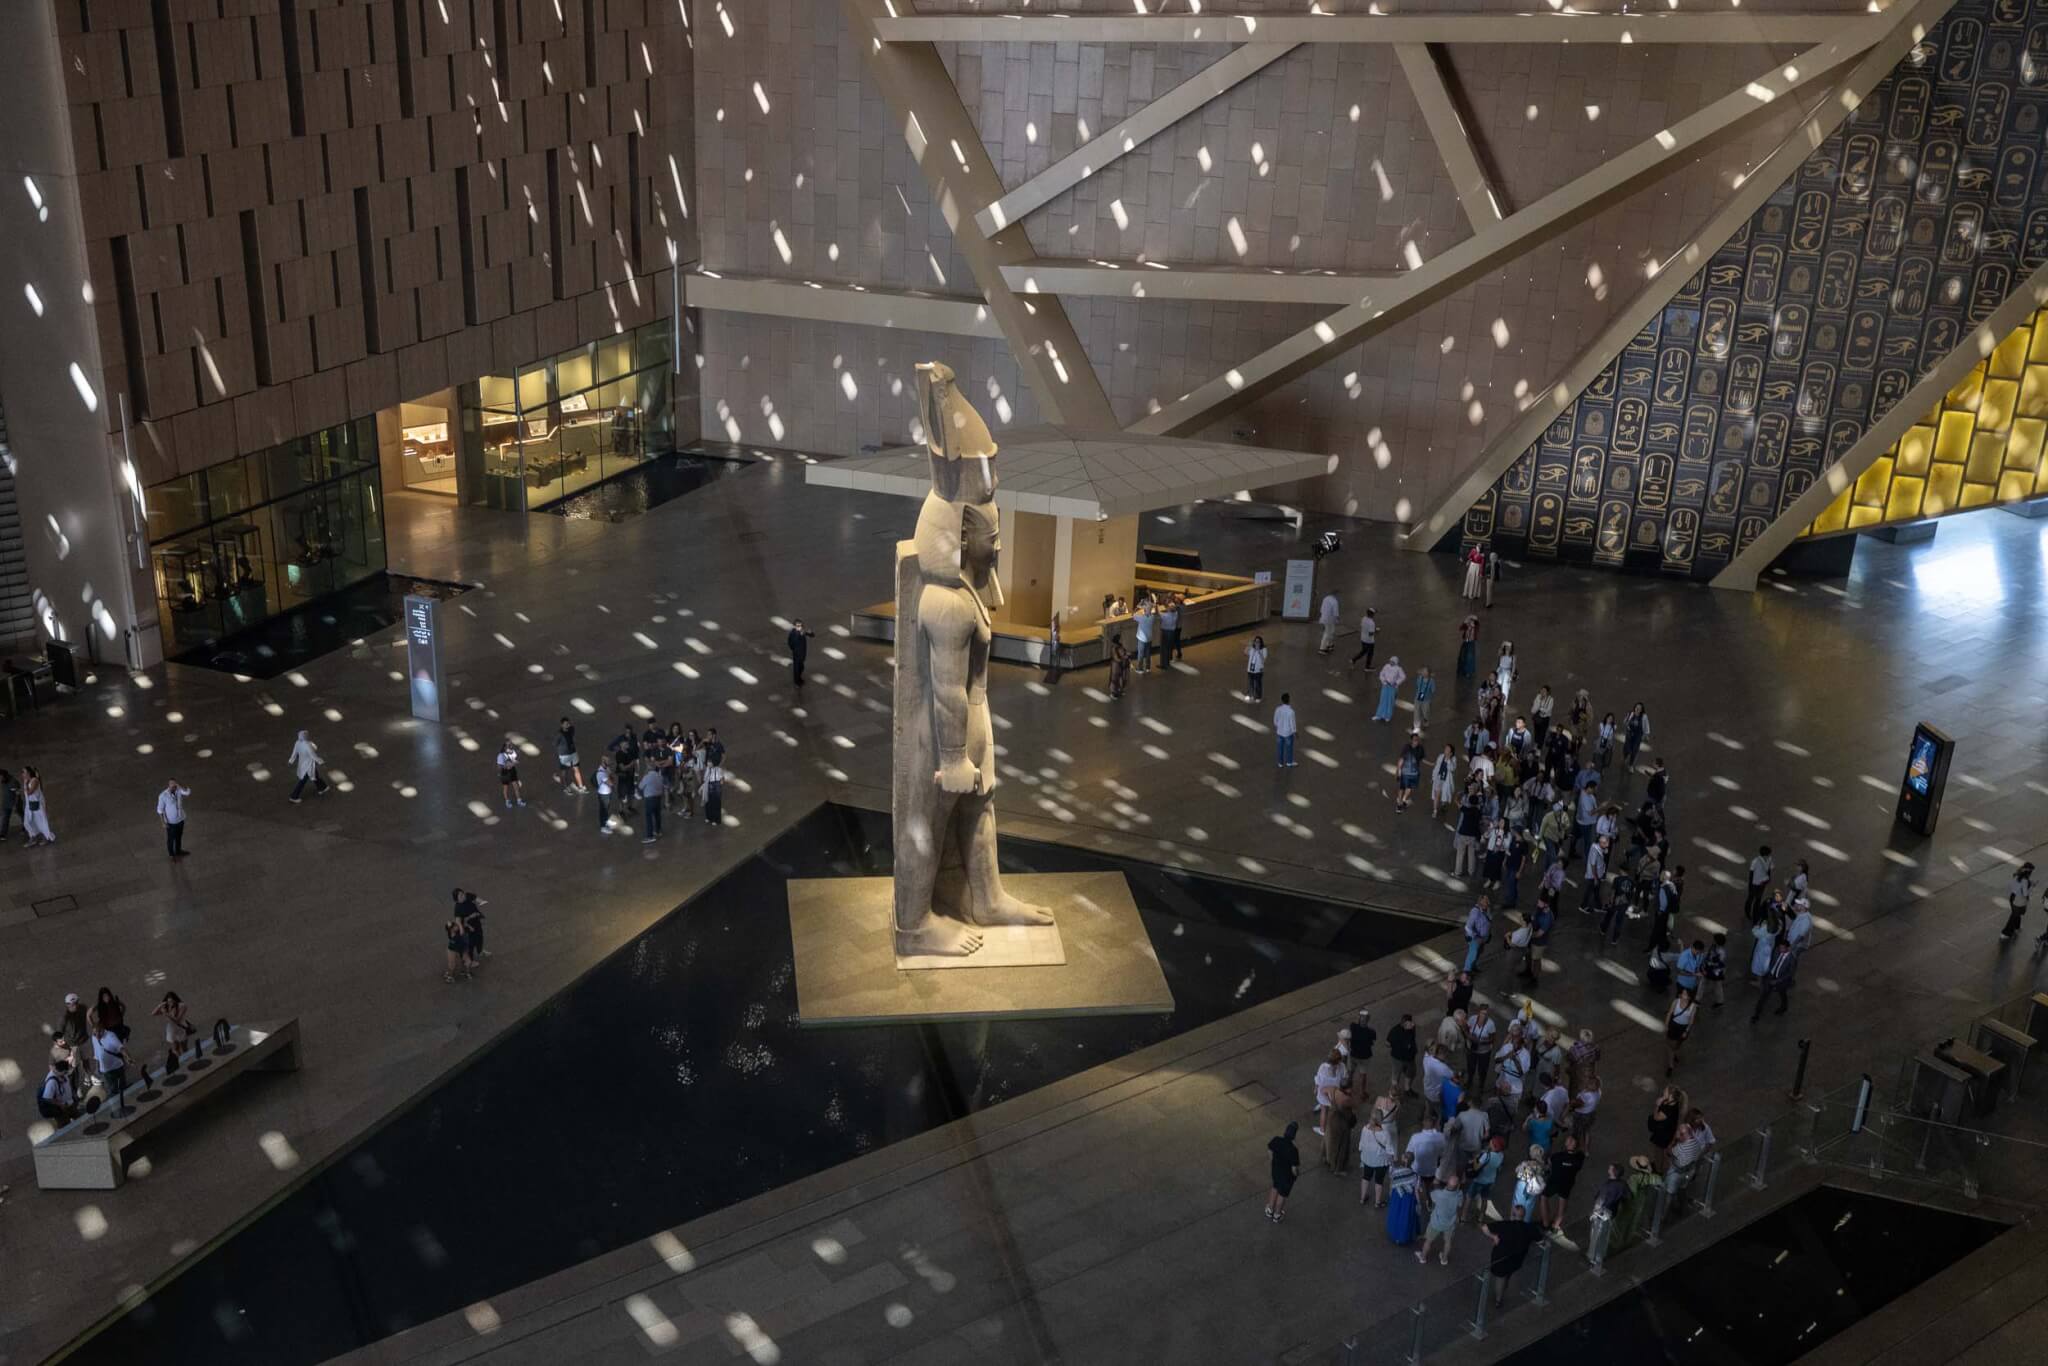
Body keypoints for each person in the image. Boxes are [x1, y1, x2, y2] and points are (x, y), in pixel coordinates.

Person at [1485, 1207, 1544, 1304]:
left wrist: (1494, 1237)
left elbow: (1485, 1228)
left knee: (1500, 1278)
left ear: (1512, 1215)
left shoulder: (1504, 1225)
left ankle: (1498, 1300)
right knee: (1507, 1274)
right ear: (1523, 1216)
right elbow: (1541, 1241)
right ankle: (1502, 1291)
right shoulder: (1529, 1228)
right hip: (1517, 1259)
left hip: (1500, 1258)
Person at [1418, 1170, 1464, 1265]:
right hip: (1450, 1223)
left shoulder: (1439, 1194)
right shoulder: (1459, 1194)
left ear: (1447, 1184)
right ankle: (1444, 1259)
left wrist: (1435, 1184)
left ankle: (1423, 1257)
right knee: (1448, 1241)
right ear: (1458, 1186)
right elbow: (1459, 1206)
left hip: (1436, 1222)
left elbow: (1431, 1194)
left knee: (1428, 1240)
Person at [1751, 935, 1798, 1021]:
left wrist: (1777, 981)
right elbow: (1772, 961)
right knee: (1763, 996)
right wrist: (1768, 972)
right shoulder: (1777, 950)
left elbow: (1789, 973)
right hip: (1771, 977)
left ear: (1787, 948)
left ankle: (1784, 1007)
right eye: (1779, 948)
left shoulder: (1792, 959)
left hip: (1781, 981)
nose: (1780, 950)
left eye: (1782, 948)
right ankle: (1756, 1014)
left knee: (1782, 994)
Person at [93, 1020, 131, 1117]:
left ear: (103, 1030)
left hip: (117, 1067)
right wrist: (97, 1067)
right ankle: (117, 1111)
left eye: (99, 1032)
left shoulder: (110, 1036)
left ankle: (126, 1106)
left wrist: (128, 1058)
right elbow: (96, 1052)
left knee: (122, 1089)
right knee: (112, 1091)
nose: (97, 1035)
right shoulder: (94, 1037)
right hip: (106, 1071)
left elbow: (121, 1048)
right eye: (95, 1033)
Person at [1358, 1112, 1396, 1206]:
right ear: (1381, 1120)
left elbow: (1361, 1144)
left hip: (1368, 1159)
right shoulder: (1385, 1133)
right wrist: (1392, 1160)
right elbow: (1389, 1149)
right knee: (1379, 1181)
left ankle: (1362, 1198)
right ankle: (1377, 1202)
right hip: (1381, 1161)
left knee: (1366, 1177)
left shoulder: (1365, 1129)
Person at [1265, 1122, 1300, 1222]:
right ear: (1294, 1136)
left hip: (1276, 1171)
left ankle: (1270, 1209)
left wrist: (1273, 1161)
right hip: (1287, 1177)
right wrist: (1296, 1174)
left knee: (1275, 1187)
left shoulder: (1276, 1140)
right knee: (1282, 1194)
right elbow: (1294, 1169)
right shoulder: (1293, 1150)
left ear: (1285, 1131)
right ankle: (1277, 1215)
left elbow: (1270, 1150)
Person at [1386, 1152, 1423, 1243]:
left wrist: (1390, 1194)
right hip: (1408, 1199)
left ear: (1404, 1159)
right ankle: (1403, 1236)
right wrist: (1419, 1203)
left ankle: (1395, 1235)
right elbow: (1416, 1191)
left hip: (1397, 1196)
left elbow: (1392, 1184)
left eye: (1403, 1156)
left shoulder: (1395, 1171)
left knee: (1395, 1215)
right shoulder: (1415, 1175)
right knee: (1405, 1218)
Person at [288, 730, 331, 801]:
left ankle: (322, 787)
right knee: (303, 781)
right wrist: (321, 762)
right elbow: (314, 756)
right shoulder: (308, 745)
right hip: (309, 765)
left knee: (315, 775)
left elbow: (294, 753)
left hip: (302, 764)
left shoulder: (297, 743)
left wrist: (290, 761)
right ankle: (294, 796)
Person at [1663, 987, 1697, 1076]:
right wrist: (1666, 1025)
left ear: (1689, 997)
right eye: (1682, 993)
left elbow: (1691, 1021)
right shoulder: (1676, 1001)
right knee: (1670, 1045)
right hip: (1673, 1026)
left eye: (1685, 994)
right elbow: (1669, 1013)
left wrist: (1686, 1031)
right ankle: (1671, 1066)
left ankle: (1674, 1052)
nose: (1682, 995)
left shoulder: (1693, 1006)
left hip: (1683, 1028)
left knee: (1678, 1044)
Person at [152, 991, 196, 1059]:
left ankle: (187, 1060)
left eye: (172, 1001)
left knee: (184, 1048)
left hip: (181, 1029)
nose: (171, 1003)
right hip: (171, 1030)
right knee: (175, 1049)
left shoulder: (181, 1006)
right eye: (169, 1002)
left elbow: (177, 1020)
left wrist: (166, 1014)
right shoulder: (166, 1008)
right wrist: (160, 1005)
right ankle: (180, 1061)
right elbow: (153, 1013)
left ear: (175, 1000)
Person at [37, 1056, 78, 1127]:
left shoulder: (61, 1074)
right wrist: (61, 1105)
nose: (67, 1073)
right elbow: (47, 1098)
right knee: (65, 1125)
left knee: (77, 1117)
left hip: (69, 1103)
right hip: (62, 1109)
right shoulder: (52, 1082)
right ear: (61, 1071)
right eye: (65, 1072)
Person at [156, 778, 192, 858]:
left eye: (175, 784)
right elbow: (160, 810)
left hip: (180, 819)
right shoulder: (163, 796)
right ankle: (171, 855)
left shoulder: (179, 790)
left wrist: (180, 786)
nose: (173, 786)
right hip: (171, 822)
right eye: (171, 784)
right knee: (171, 839)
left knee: (179, 837)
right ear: (168, 785)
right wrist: (163, 822)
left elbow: (188, 792)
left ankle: (178, 851)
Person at [21, 766, 53, 846]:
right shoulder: (27, 781)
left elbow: (29, 792)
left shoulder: (34, 780)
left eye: (23, 772)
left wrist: (25, 784)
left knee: (42, 821)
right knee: (27, 822)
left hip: (38, 804)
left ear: (28, 773)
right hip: (29, 804)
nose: (22, 774)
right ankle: (33, 837)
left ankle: (47, 837)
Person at [552, 719, 586, 792]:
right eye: (566, 724)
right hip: (564, 755)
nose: (568, 725)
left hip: (573, 753)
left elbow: (572, 730)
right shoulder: (559, 734)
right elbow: (555, 744)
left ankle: (581, 786)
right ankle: (566, 787)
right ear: (562, 725)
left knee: (576, 769)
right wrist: (561, 751)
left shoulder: (571, 729)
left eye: (568, 723)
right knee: (564, 772)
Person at [2002, 862, 2034, 940]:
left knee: (2016, 913)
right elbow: (2025, 894)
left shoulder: (2016, 875)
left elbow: (2011, 885)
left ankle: (2017, 926)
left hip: (2012, 897)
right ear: (2029, 872)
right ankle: (2006, 933)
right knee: (2014, 916)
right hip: (2018, 900)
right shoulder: (2024, 881)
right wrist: (2032, 887)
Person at [1395, 732, 1425, 812]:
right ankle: (1399, 804)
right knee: (1402, 788)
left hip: (1414, 773)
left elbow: (1422, 759)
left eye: (1417, 740)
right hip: (1405, 772)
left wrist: (1431, 764)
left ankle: (1403, 800)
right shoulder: (1406, 748)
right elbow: (1401, 759)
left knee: (1409, 788)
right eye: (1415, 740)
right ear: (1411, 740)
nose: (1416, 741)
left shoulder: (1420, 748)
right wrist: (1398, 771)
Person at [1389, 1013, 1418, 1096]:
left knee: (1411, 1072)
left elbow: (1412, 1040)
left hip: (1410, 1058)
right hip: (1398, 1058)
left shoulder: (1411, 1029)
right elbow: (1387, 1043)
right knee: (1396, 1077)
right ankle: (1393, 1095)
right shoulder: (1395, 1031)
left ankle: (1407, 1089)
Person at [1744, 844, 1773, 923]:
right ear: (1764, 855)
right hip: (1754, 884)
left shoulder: (1769, 860)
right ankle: (1747, 912)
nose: (1769, 856)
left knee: (1758, 899)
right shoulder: (1755, 861)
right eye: (1768, 855)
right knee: (1751, 898)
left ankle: (1755, 915)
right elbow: (1751, 874)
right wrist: (1750, 886)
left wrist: (1768, 878)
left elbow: (1769, 869)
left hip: (1762, 884)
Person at [1373, 657, 1406, 723]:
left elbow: (1403, 677)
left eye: (1392, 661)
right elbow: (1381, 674)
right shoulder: (1386, 666)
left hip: (1392, 687)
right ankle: (1379, 715)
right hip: (1385, 686)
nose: (1391, 662)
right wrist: (1383, 681)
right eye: (1390, 661)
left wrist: (1396, 682)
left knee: (1390, 702)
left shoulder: (1398, 669)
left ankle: (1387, 716)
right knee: (1382, 700)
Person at [639, 761, 666, 843]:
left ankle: (650, 836)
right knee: (657, 815)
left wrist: (644, 776)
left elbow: (640, 786)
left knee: (649, 817)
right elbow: (662, 786)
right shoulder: (660, 776)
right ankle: (658, 831)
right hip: (658, 798)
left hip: (649, 799)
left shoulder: (647, 777)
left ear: (648, 768)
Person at [497, 738, 527, 808]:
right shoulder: (501, 755)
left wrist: (513, 763)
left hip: (512, 771)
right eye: (508, 746)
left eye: (510, 745)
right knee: (506, 788)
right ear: (504, 747)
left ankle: (519, 801)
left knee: (516, 786)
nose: (510, 747)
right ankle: (507, 801)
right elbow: (499, 766)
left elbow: (514, 759)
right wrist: (507, 766)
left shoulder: (513, 752)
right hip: (505, 773)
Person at [787, 619, 815, 687]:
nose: (800, 627)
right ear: (794, 626)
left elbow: (812, 635)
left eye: (801, 625)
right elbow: (790, 643)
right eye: (798, 626)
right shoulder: (793, 633)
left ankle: (799, 678)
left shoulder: (802, 631)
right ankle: (797, 681)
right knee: (797, 668)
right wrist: (795, 650)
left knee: (801, 667)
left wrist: (810, 633)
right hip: (797, 654)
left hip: (802, 653)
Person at [443, 910, 470, 983]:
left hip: (456, 949)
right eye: (454, 926)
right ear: (451, 930)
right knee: (452, 965)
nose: (456, 926)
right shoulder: (454, 935)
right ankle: (450, 977)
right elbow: (462, 932)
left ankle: (450, 973)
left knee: (457, 963)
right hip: (452, 950)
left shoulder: (453, 932)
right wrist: (459, 923)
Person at [1622, 703, 1651, 770]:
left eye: (1639, 708)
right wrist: (1626, 719)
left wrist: (1646, 735)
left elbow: (1646, 726)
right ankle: (1625, 757)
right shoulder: (1631, 714)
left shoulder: (1644, 717)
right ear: (1634, 708)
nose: (1637, 709)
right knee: (1626, 748)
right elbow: (1625, 723)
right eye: (1636, 707)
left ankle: (1631, 765)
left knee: (1634, 750)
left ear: (1641, 710)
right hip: (1629, 734)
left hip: (1638, 736)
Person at [1273, 693, 1297, 768]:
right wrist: (1295, 732)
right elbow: (1292, 723)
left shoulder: (1278, 709)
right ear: (1289, 700)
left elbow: (1275, 721)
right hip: (1288, 733)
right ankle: (1289, 762)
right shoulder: (1291, 711)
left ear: (1282, 700)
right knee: (1289, 748)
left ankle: (1280, 763)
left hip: (1279, 732)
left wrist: (1279, 726)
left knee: (1280, 748)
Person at [1133, 599, 1156, 674]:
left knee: (1141, 654)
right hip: (1149, 638)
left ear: (1144, 610)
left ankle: (1140, 669)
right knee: (1148, 653)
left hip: (1142, 638)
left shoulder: (1141, 618)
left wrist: (1138, 606)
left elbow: (1133, 614)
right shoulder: (1152, 617)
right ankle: (1148, 668)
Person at [702, 755, 726, 826]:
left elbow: (722, 779)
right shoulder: (707, 769)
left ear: (714, 762)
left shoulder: (718, 769)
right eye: (708, 761)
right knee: (708, 803)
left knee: (716, 804)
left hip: (716, 786)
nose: (708, 763)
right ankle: (709, 817)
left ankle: (716, 820)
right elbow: (705, 779)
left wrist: (720, 785)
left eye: (710, 762)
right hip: (709, 786)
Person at [1160, 594, 1183, 664]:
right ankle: (1176, 654)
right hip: (1176, 627)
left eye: (1176, 598)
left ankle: (1169, 658)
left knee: (1171, 644)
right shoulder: (1177, 609)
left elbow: (1168, 610)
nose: (1174, 599)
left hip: (1175, 628)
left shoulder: (1176, 609)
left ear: (1179, 600)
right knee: (1174, 642)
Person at [1244, 634, 1267, 702]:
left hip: (1258, 670)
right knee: (1250, 683)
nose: (1257, 643)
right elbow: (1245, 652)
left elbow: (1263, 660)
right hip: (1250, 669)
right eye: (1255, 641)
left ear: (1261, 642)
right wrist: (1248, 645)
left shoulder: (1264, 649)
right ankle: (1249, 695)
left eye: (1258, 642)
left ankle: (1258, 697)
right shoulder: (1252, 648)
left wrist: (1259, 651)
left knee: (1258, 684)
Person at [1108, 633, 1131, 699]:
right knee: (1115, 679)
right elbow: (1116, 658)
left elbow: (1124, 652)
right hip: (1116, 666)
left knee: (1122, 678)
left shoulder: (1120, 645)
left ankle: (1120, 690)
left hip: (1122, 665)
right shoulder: (1114, 648)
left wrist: (1127, 654)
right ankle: (1113, 693)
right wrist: (1125, 657)